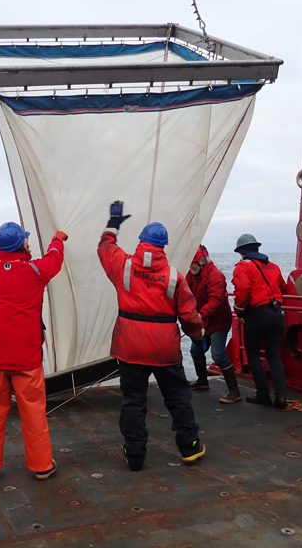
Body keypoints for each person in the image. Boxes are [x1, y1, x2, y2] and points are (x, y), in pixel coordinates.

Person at [98, 201, 206, 472]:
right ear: (163, 246)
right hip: (164, 348)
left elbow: (105, 248)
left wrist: (113, 223)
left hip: (130, 346)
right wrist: (197, 336)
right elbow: (190, 315)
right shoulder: (174, 277)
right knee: (178, 397)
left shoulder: (123, 267)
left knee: (133, 400)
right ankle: (190, 448)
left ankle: (134, 455)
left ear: (141, 243)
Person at [0, 222, 68, 482]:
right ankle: (41, 466)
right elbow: (55, 258)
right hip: (25, 355)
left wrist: (6, 254)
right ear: (22, 245)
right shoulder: (35, 271)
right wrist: (58, 238)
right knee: (33, 410)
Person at [232, 233, 288, 409]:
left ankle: (263, 395)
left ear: (241, 251)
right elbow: (283, 287)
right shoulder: (274, 266)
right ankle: (281, 398)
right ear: (257, 248)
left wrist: (239, 311)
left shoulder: (243, 267)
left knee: (254, 354)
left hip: (257, 315)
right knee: (273, 355)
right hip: (277, 313)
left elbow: (242, 291)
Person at [185, 246, 241, 404]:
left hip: (218, 322)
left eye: (193, 263)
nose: (191, 266)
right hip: (203, 322)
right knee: (196, 350)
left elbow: (215, 300)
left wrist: (200, 314)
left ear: (203, 261)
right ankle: (202, 380)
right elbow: (184, 292)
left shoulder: (216, 276)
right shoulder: (192, 275)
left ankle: (234, 391)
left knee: (218, 355)